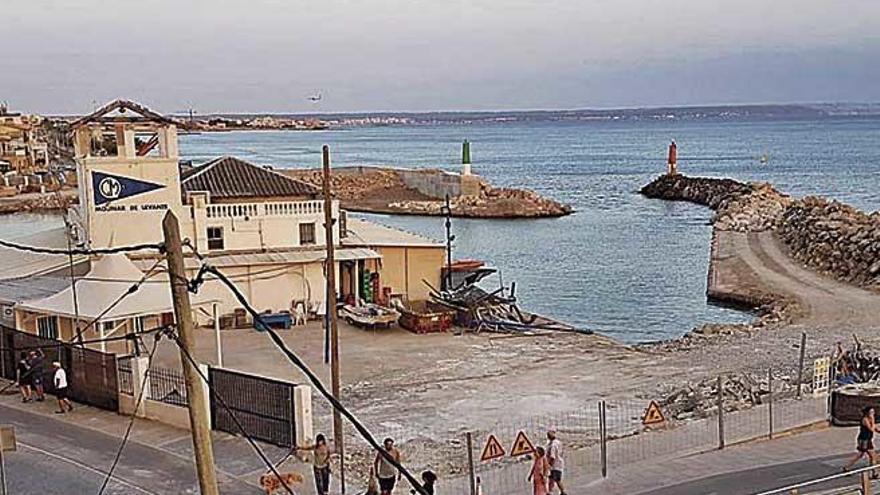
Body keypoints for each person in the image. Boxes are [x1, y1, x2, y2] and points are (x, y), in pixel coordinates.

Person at [844, 406, 880, 476]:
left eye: (873, 412)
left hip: (868, 440)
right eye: (871, 412)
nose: (873, 414)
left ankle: (874, 472)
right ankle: (874, 472)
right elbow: (871, 429)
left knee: (866, 455)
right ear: (867, 413)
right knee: (868, 455)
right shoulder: (865, 420)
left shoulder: (870, 419)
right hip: (864, 440)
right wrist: (873, 420)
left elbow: (875, 428)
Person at [546, 430, 567, 495]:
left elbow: (552, 457)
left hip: (555, 465)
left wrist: (549, 464)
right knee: (551, 479)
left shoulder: (553, 445)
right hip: (559, 463)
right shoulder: (558, 442)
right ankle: (550, 492)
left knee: (557, 479)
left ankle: (563, 492)